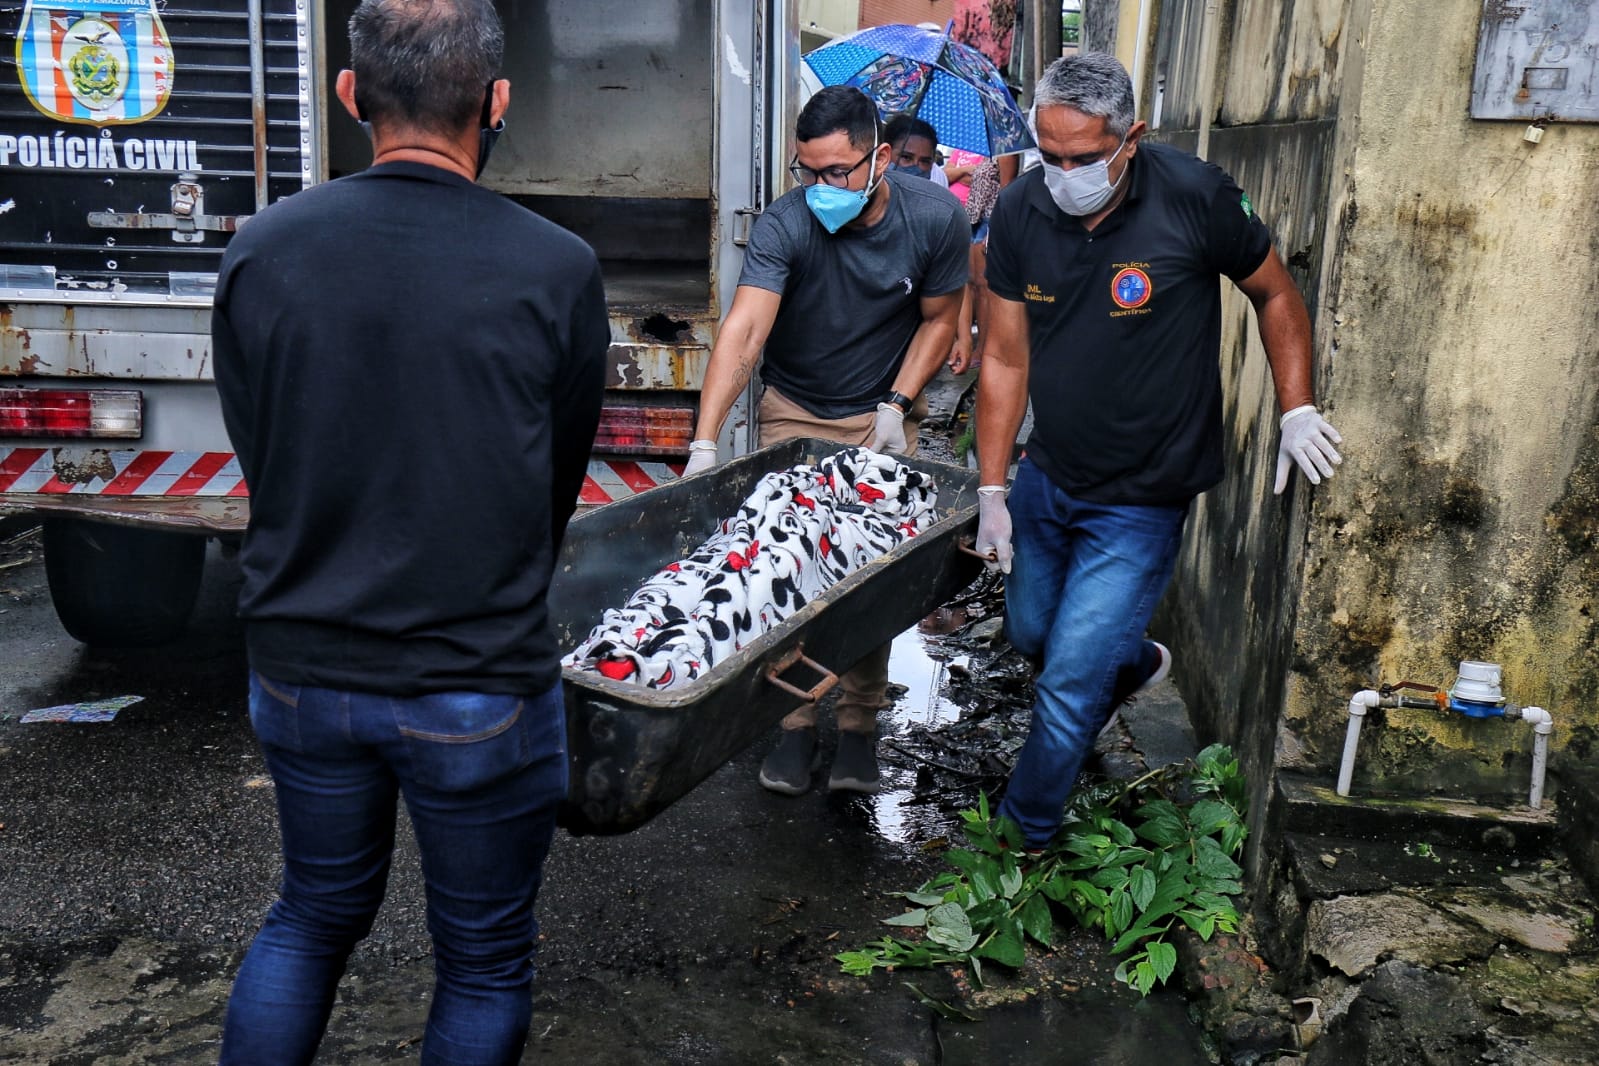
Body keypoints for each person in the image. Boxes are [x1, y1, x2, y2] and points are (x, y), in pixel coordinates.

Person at [211, 1, 608, 1062]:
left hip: (302, 667)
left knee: (310, 916)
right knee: (481, 961)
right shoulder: (555, 267)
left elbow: (262, 451)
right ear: (497, 101)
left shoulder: (262, 249)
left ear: (351, 95)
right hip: (475, 678)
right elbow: (555, 480)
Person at [973, 53, 1344, 850]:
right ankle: (1132, 661)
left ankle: (1016, 844)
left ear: (1130, 137)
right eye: (1047, 154)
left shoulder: (1194, 196)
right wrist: (992, 491)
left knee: (1068, 682)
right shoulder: (1020, 210)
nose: (1061, 175)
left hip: (1142, 496)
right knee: (1033, 635)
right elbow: (1003, 357)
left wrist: (1297, 406)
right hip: (1049, 473)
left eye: (1081, 157)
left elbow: (1274, 291)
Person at [683, 86, 969, 796]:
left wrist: (897, 404)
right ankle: (794, 724)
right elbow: (746, 330)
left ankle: (859, 726)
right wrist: (704, 443)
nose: (821, 187)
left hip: (881, 415)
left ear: (879, 158)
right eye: (806, 171)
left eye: (837, 171)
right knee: (787, 569)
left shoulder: (934, 217)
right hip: (794, 413)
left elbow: (940, 318)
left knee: (871, 581)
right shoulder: (786, 224)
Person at [884, 113, 949, 189]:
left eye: (924, 161)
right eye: (906, 157)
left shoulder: (936, 189)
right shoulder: (871, 189)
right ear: (884, 154)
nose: (916, 167)